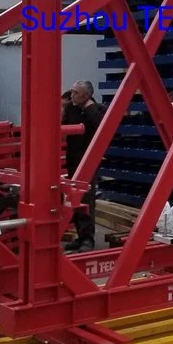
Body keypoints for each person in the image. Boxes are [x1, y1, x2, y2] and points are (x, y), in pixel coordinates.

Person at [63, 80, 105, 253]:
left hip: (88, 161)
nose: (71, 95)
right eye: (72, 92)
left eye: (76, 93)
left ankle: (88, 239)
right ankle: (80, 237)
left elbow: (101, 126)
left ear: (87, 96)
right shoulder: (71, 108)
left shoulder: (97, 110)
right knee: (75, 199)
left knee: (87, 199)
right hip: (73, 160)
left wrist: (89, 107)